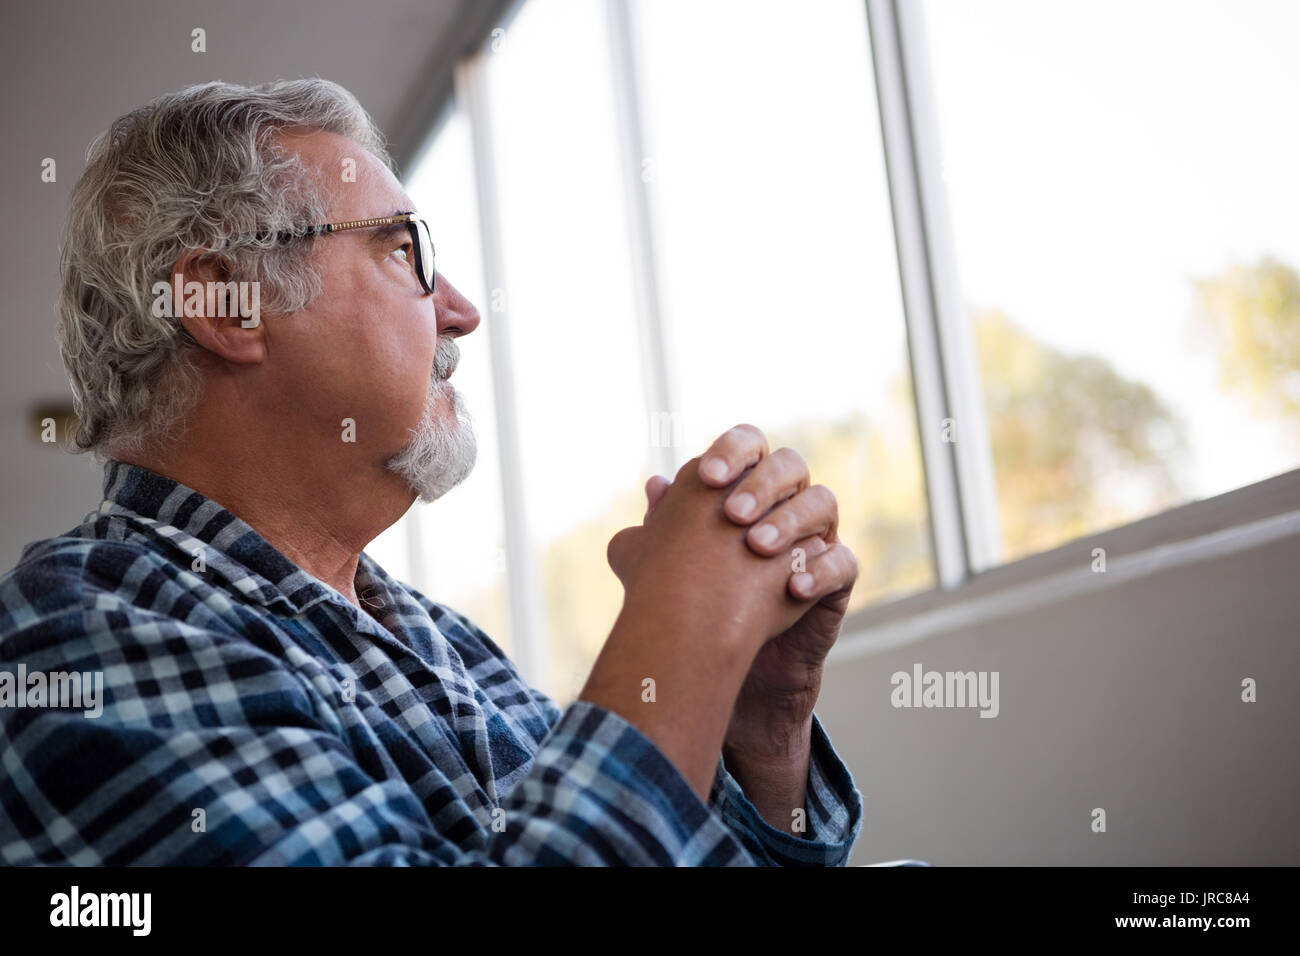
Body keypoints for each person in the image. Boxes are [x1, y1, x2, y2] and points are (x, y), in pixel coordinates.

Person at [0, 79, 863, 865]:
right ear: (227, 300)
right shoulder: (74, 632)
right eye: (401, 250)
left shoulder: (449, 644)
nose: (459, 311)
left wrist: (759, 728)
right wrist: (687, 623)